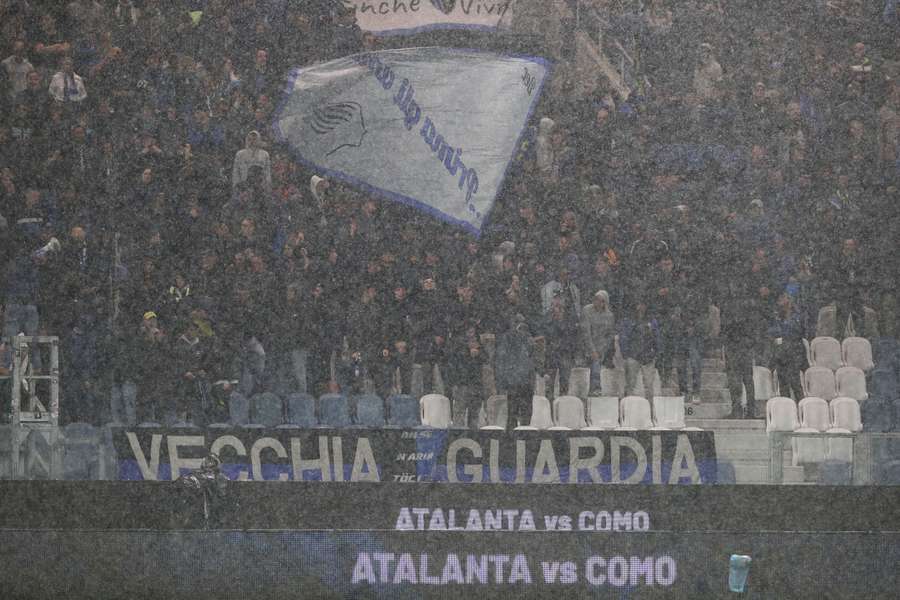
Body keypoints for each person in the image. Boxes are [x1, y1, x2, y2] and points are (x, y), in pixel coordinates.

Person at [618, 299, 662, 402]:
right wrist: (626, 353)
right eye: (638, 304)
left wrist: (656, 352)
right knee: (630, 385)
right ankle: (627, 407)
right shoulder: (628, 320)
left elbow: (657, 337)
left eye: (643, 304)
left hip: (648, 357)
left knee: (649, 385)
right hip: (633, 356)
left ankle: (650, 409)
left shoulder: (652, 321)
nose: (640, 307)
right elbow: (624, 337)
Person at [767, 292, 807, 401]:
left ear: (789, 300)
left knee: (795, 383)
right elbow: (771, 331)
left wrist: (784, 337)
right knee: (783, 384)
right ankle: (787, 410)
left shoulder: (797, 315)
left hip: (794, 352)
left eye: (782, 299)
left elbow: (799, 331)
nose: (780, 301)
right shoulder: (777, 316)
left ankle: (801, 408)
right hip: (781, 353)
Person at [580, 290, 616, 395]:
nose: (598, 302)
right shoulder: (586, 310)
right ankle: (595, 388)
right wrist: (593, 350)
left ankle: (595, 389)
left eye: (601, 301)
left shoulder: (609, 315)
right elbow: (585, 333)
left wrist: (602, 348)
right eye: (596, 299)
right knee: (595, 360)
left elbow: (610, 335)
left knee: (597, 359)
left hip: (601, 347)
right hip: (586, 346)